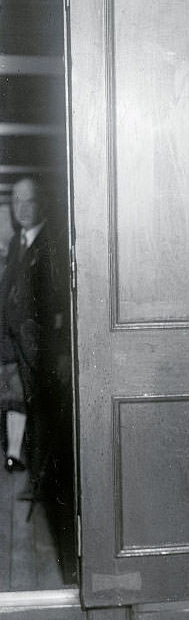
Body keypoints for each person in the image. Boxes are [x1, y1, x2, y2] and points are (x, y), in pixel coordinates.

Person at [0, 177, 70, 504]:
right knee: (16, 400)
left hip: (39, 348)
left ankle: (43, 486)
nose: (22, 208)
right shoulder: (18, 241)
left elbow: (57, 303)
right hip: (15, 342)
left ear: (40, 203)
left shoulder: (49, 244)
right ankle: (21, 462)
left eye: (28, 201)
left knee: (40, 412)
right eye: (16, 202)